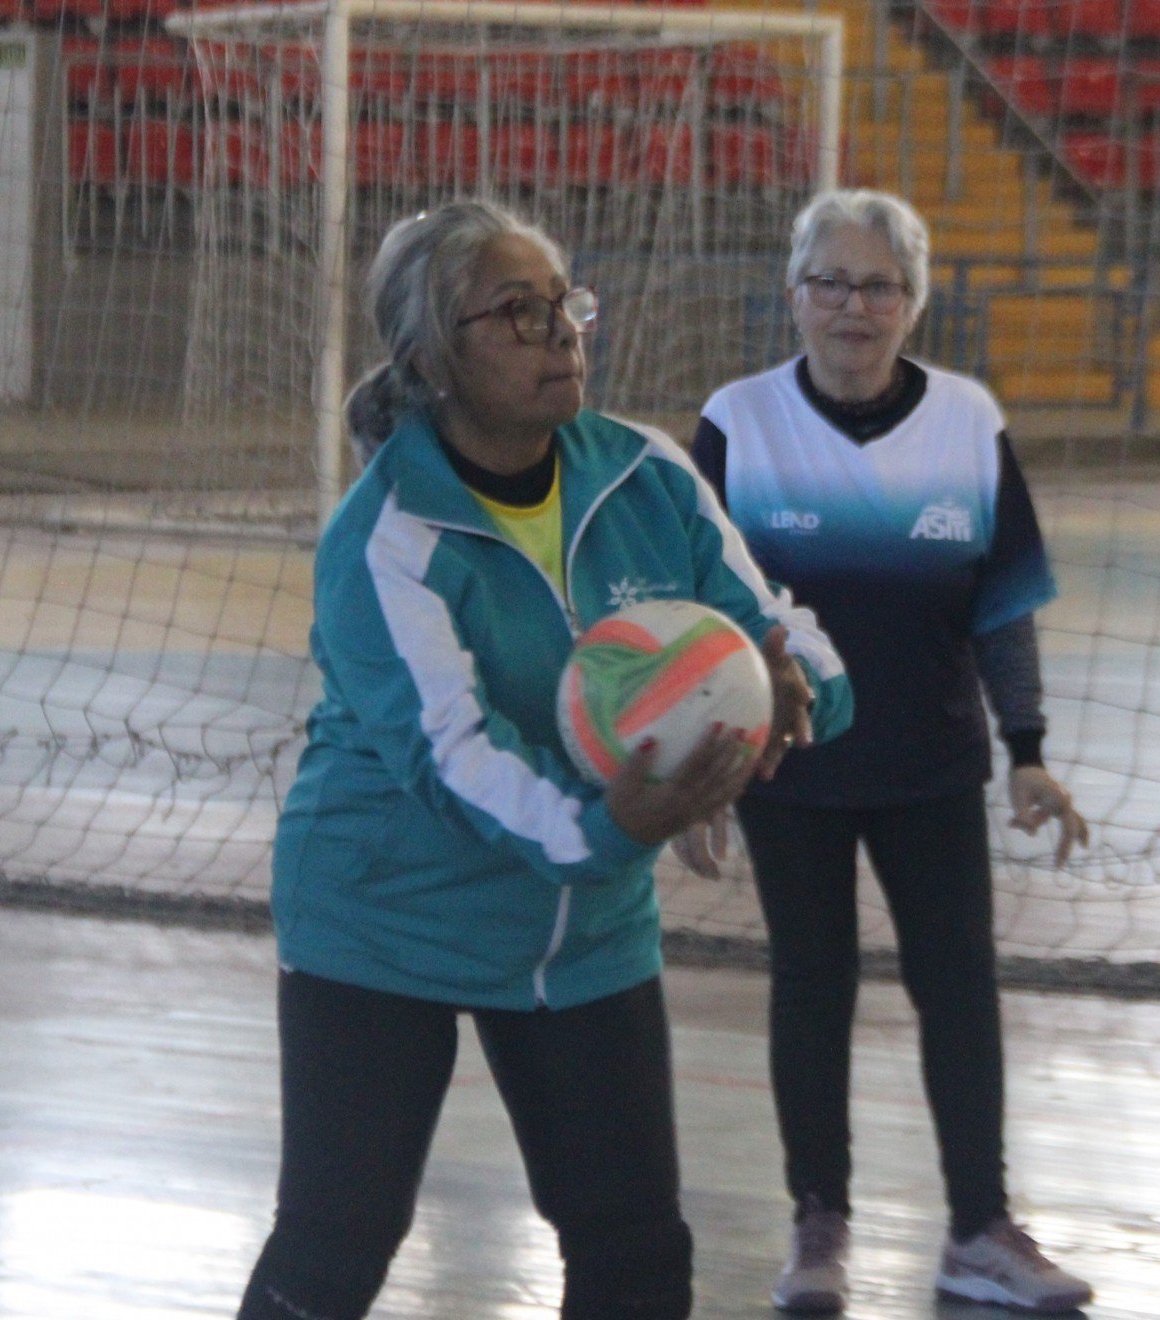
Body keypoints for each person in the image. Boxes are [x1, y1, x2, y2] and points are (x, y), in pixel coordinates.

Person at [236, 199, 852, 1320]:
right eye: (516, 312)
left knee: (633, 1249)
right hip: (387, 917)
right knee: (338, 1243)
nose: (560, 331)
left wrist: (799, 688)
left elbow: (770, 621)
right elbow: (459, 759)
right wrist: (620, 822)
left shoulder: (644, 475)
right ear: (429, 357)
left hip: (584, 935)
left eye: (563, 301)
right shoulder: (387, 540)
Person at [688, 189, 1094, 1315]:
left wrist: (1028, 748)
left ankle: (978, 1229)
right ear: (793, 296)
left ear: (913, 304)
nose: (851, 307)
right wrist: (704, 763)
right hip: (791, 763)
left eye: (877, 286)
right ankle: (818, 1224)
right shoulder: (736, 421)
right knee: (811, 986)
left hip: (931, 760)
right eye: (831, 282)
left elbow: (1001, 607)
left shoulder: (967, 421)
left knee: (957, 986)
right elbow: (701, 616)